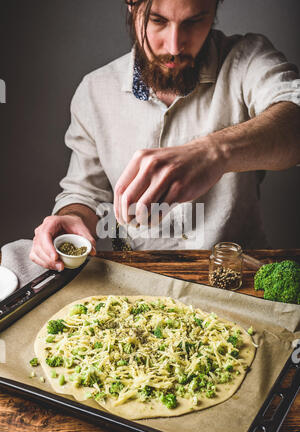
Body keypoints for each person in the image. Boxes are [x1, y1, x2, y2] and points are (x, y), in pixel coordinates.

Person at [30, 0, 300, 271]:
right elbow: (84, 193)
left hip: (236, 275)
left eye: (193, 21)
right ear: (131, 7)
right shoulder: (94, 91)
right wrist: (72, 217)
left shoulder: (248, 59)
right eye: (158, 21)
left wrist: (214, 153)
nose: (174, 46)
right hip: (136, 275)